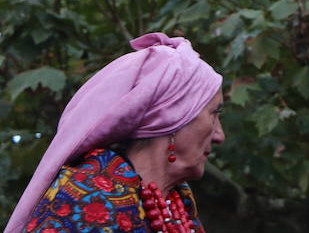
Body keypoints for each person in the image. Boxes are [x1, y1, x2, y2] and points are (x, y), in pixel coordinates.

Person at [6, 33, 225, 233]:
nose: (219, 135)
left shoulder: (178, 203)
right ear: (172, 117)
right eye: (214, 114)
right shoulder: (85, 199)